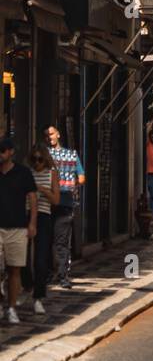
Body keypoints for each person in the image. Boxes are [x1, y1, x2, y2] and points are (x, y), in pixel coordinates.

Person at [0, 135, 37, 324]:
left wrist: (32, 223)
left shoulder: (23, 173)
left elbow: (32, 198)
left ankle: (12, 308)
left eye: (2, 151)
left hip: (18, 227)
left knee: (15, 269)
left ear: (11, 152)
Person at [44, 124, 85, 289]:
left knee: (52, 242)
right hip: (57, 202)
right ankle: (61, 276)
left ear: (58, 134)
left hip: (55, 203)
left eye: (51, 134)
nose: (49, 137)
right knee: (59, 242)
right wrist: (70, 185)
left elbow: (82, 177)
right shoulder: (71, 155)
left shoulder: (45, 156)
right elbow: (81, 178)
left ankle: (54, 275)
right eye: (47, 135)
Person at [27, 143, 59, 314]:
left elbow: (56, 200)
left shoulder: (51, 173)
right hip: (24, 216)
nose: (37, 163)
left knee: (41, 259)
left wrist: (42, 190)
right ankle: (27, 285)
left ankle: (38, 296)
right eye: (34, 159)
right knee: (22, 259)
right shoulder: (27, 173)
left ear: (45, 159)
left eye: (40, 159)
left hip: (43, 216)